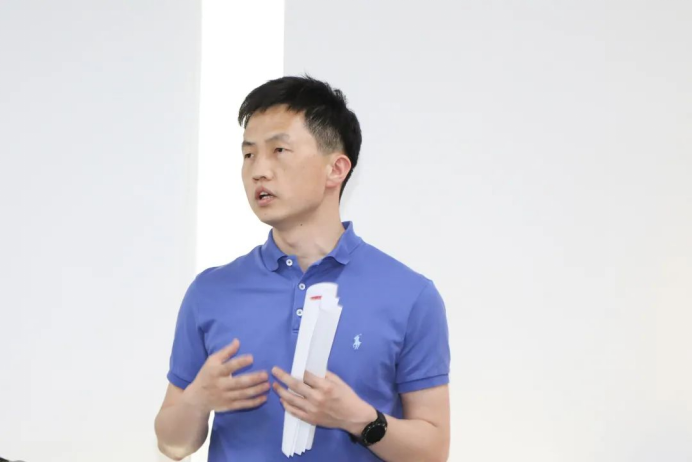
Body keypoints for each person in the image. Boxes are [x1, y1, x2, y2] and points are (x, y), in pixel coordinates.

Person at [154, 75, 451, 462]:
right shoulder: (210, 292)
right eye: (248, 155)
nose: (258, 171)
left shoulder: (410, 295)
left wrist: (359, 419)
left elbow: (433, 452)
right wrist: (197, 401)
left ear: (336, 169)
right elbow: (172, 445)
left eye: (279, 150)